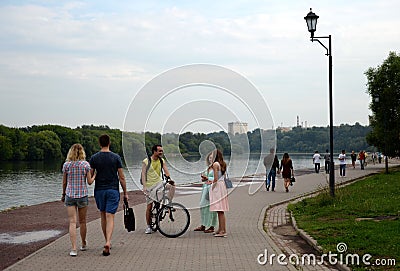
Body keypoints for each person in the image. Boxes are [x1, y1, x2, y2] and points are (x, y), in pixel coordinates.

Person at [89, 134, 128, 256]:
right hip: (113, 190)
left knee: (103, 215)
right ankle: (108, 241)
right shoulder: (116, 157)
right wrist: (125, 192)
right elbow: (121, 177)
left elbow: (90, 177)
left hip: (99, 190)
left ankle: (107, 241)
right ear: (109, 143)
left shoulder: (94, 158)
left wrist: (95, 175)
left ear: (100, 143)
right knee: (110, 216)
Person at [62, 144, 95, 257]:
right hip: (82, 195)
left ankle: (73, 248)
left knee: (72, 222)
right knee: (82, 221)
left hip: (70, 195)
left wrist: (63, 194)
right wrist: (95, 175)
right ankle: (84, 243)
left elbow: (64, 183)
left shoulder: (66, 165)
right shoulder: (85, 165)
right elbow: (90, 182)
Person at [141, 144, 175, 234]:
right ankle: (148, 226)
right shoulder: (146, 161)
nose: (161, 153)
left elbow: (166, 170)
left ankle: (168, 203)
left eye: (162, 151)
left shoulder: (161, 160)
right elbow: (143, 174)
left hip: (159, 183)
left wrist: (170, 179)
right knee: (149, 207)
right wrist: (144, 187)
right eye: (159, 151)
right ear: (154, 151)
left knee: (172, 186)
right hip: (149, 186)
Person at [194, 152, 218, 233]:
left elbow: (217, 179)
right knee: (203, 205)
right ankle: (203, 224)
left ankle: (212, 226)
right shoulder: (209, 168)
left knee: (211, 207)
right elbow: (207, 179)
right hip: (206, 188)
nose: (210, 159)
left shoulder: (216, 167)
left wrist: (207, 178)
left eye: (212, 158)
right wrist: (204, 178)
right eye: (209, 158)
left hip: (212, 188)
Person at [209, 149, 229, 238]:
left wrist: (212, 186)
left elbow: (216, 178)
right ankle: (221, 229)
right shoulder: (222, 164)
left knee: (220, 210)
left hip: (218, 187)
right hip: (222, 186)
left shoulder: (215, 164)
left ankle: (222, 231)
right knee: (220, 210)